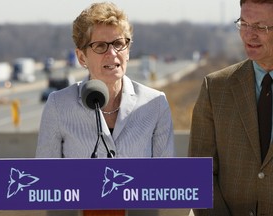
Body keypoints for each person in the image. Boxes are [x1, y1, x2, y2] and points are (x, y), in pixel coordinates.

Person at [36, 2, 175, 215]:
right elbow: (42, 186)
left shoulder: (155, 104)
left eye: (119, 44)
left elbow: (168, 186)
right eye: (100, 46)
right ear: (82, 57)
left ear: (128, 51)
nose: (112, 53)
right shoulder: (58, 105)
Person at [189, 0, 273, 215]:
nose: (249, 35)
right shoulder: (215, 87)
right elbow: (200, 174)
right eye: (244, 23)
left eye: (260, 27)